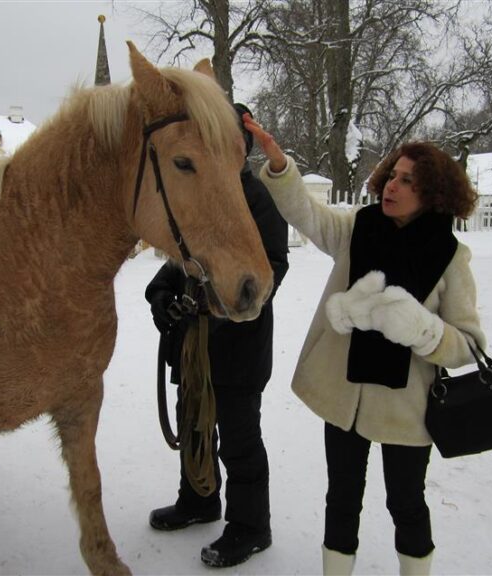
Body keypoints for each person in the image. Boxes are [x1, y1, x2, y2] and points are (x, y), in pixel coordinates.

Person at [243, 115, 486, 576]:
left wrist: (421, 329)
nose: (392, 185)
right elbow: (309, 217)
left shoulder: (451, 258)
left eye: (407, 180)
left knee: (406, 503)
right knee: (342, 497)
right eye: (392, 174)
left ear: (432, 193)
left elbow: (467, 346)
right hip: (346, 398)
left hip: (406, 409)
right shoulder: (361, 227)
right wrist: (278, 164)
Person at [145, 104, 289, 569]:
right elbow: (174, 259)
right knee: (194, 426)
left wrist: (220, 306)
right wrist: (163, 296)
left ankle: (251, 526)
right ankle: (200, 500)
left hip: (238, 346)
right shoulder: (200, 191)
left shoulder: (256, 197)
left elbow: (272, 266)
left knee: (239, 438)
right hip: (192, 345)